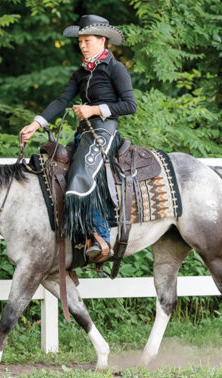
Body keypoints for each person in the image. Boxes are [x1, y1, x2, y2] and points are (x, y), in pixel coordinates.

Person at [20, 15, 137, 260]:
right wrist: (36, 123)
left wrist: (94, 110)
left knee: (81, 174)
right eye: (80, 41)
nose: (82, 45)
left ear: (102, 40)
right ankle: (71, 233)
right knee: (57, 167)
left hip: (105, 130)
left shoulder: (116, 69)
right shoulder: (81, 72)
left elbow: (129, 105)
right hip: (84, 132)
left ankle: (101, 238)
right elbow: (62, 100)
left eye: (87, 40)